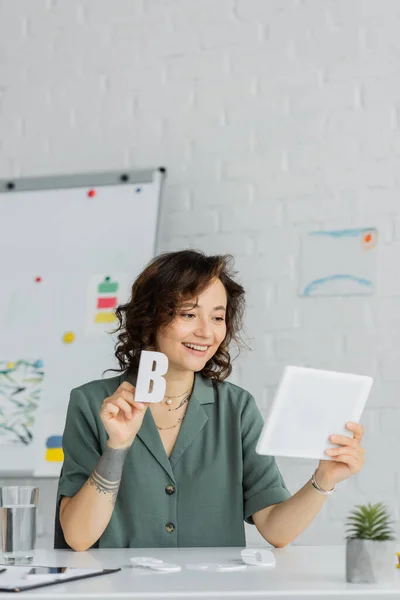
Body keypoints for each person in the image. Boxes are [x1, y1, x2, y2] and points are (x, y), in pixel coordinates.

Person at [55, 250, 365, 551]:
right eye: (188, 314)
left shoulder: (237, 408)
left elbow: (275, 529)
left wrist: (323, 479)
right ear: (150, 319)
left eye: (217, 317)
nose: (206, 332)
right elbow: (79, 537)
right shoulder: (93, 402)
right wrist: (117, 446)